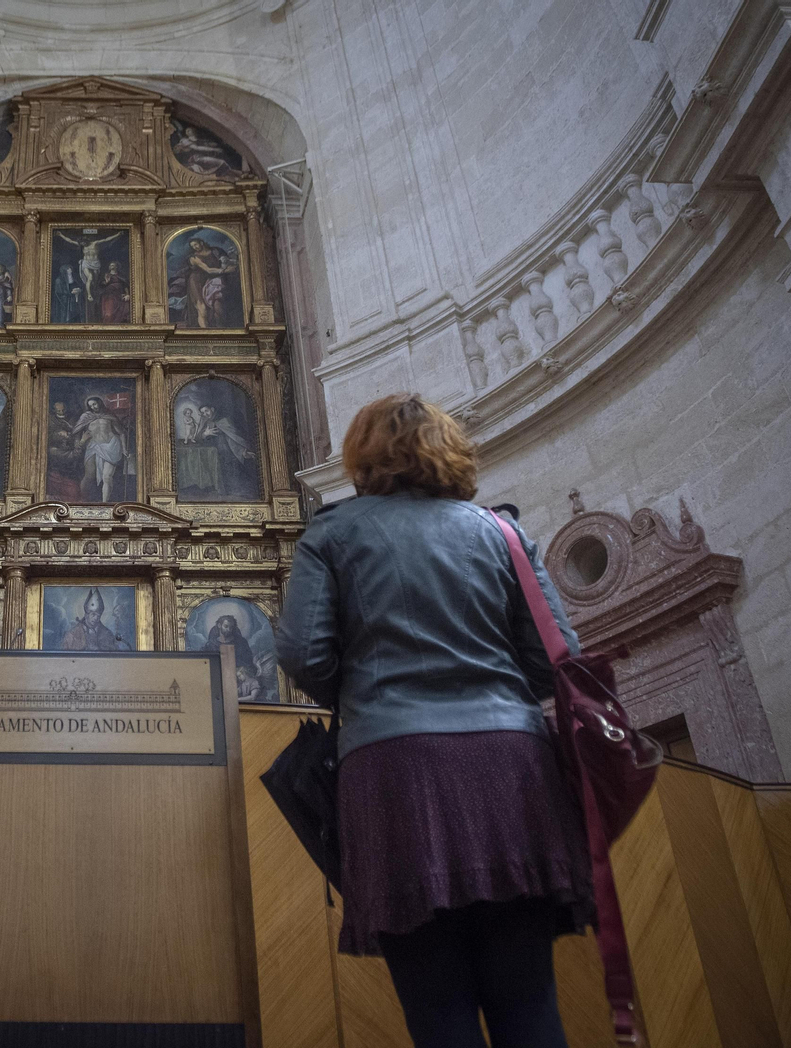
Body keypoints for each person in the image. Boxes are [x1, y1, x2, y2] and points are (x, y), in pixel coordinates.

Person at [276, 393, 591, 1048]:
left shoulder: (331, 534)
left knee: (438, 1014)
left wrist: (365, 697)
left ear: (361, 457)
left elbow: (304, 655)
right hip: (512, 769)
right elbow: (557, 657)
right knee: (530, 1004)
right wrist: (498, 693)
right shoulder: (501, 533)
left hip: (394, 771)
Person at [71, 394, 129, 502]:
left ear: (99, 403)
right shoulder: (86, 417)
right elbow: (77, 432)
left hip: (110, 446)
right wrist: (80, 443)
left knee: (107, 477)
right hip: (93, 447)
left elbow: (121, 433)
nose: (93, 407)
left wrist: (124, 448)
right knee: (89, 476)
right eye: (91, 406)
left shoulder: (109, 415)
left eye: (95, 404)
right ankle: (80, 500)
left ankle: (105, 504)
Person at [60, 587, 130, 650]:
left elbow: (114, 654)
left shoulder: (107, 634)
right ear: (86, 615)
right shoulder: (72, 634)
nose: (96, 618)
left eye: (98, 616)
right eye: (93, 614)